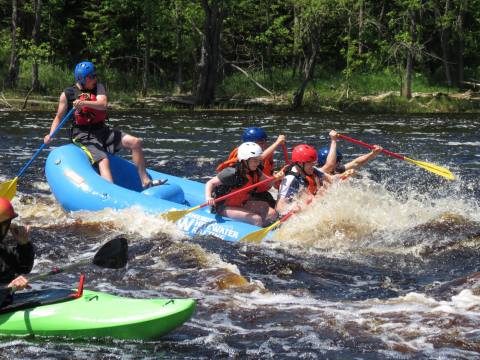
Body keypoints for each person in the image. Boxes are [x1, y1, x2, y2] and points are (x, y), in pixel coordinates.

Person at [44, 61, 154, 188]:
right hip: (82, 135)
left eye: (95, 75)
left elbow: (102, 104)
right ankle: (111, 192)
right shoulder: (67, 94)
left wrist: (84, 103)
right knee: (103, 160)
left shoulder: (99, 87)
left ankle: (145, 181)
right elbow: (59, 117)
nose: (95, 79)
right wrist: (50, 134)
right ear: (82, 79)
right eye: (92, 77)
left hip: (102, 130)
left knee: (135, 142)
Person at [205, 142, 280, 227]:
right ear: (244, 160)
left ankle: (264, 230)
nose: (258, 163)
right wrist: (208, 197)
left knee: (272, 213)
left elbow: (269, 181)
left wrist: (280, 176)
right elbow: (210, 183)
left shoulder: (255, 171)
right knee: (256, 219)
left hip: (241, 203)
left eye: (259, 160)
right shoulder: (231, 173)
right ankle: (256, 232)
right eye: (255, 160)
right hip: (223, 207)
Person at [216, 127, 286, 207]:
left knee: (274, 206)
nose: (265, 144)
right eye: (261, 142)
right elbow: (261, 157)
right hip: (244, 193)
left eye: (265, 141)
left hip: (257, 190)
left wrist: (277, 178)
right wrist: (277, 142)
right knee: (270, 210)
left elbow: (265, 174)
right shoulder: (242, 155)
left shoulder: (260, 158)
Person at [276, 144, 331, 216]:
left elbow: (330, 179)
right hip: (292, 212)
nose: (313, 166)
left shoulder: (311, 169)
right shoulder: (290, 179)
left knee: (324, 190)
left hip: (305, 203)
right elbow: (279, 207)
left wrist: (343, 175)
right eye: (310, 164)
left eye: (313, 163)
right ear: (300, 163)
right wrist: (290, 209)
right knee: (309, 198)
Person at [0, 198, 34, 305]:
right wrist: (7, 288)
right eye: (6, 224)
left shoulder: (2, 249)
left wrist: (24, 244)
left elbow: (23, 268)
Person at [318, 130, 383, 175]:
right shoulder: (316, 173)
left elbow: (356, 163)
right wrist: (333, 140)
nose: (339, 163)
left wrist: (373, 153)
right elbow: (330, 165)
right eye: (337, 161)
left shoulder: (337, 170)